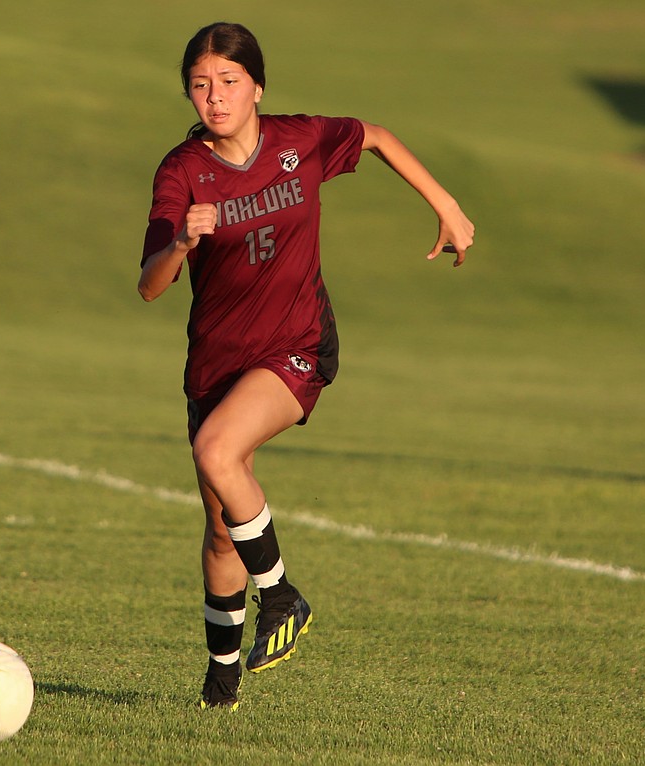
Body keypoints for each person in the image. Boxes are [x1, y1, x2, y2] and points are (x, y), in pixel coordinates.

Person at [138, 21, 475, 711]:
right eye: (200, 85)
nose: (215, 96)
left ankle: (284, 597)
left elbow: (375, 135)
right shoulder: (182, 171)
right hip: (216, 363)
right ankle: (221, 685)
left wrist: (444, 204)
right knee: (221, 522)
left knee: (216, 450)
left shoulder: (300, 140)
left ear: (257, 86)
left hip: (296, 344)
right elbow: (149, 284)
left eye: (229, 81)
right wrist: (180, 241)